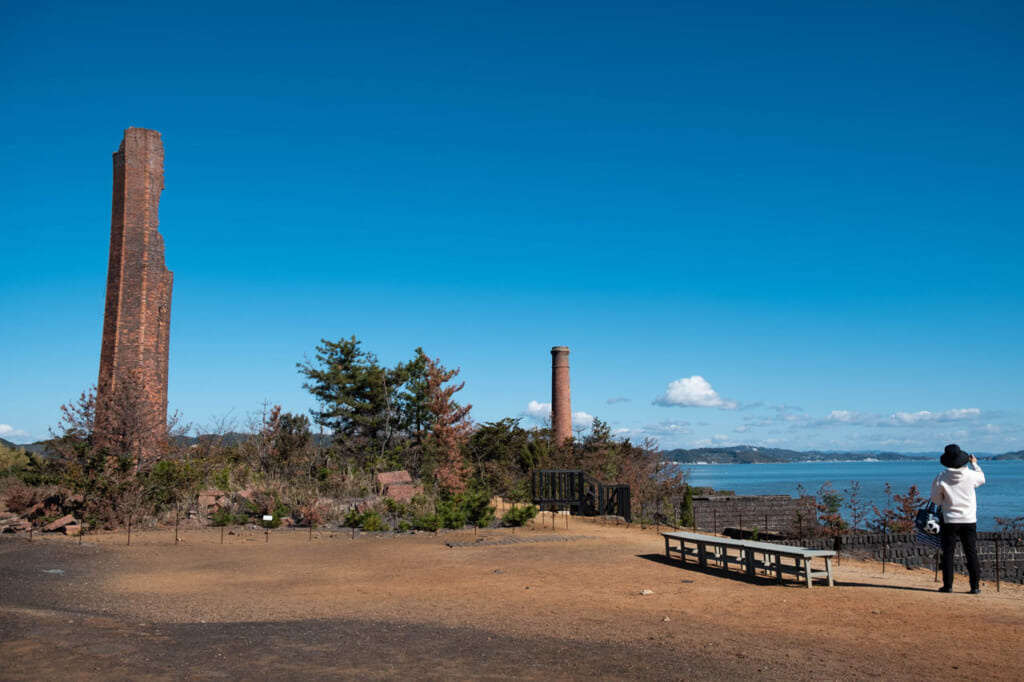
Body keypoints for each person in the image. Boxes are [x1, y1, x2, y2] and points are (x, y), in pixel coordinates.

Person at [930, 443, 985, 594]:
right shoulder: (971, 475)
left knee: (948, 553)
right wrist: (975, 464)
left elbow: (935, 499)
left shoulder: (941, 477)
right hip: (969, 519)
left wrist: (946, 502)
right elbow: (982, 479)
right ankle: (975, 586)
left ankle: (948, 585)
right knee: (971, 552)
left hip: (949, 519)